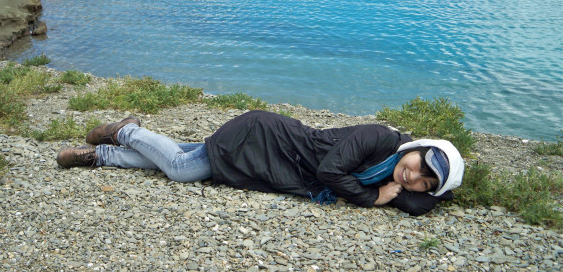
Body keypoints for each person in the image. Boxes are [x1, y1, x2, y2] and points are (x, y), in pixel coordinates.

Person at [56, 110, 464, 216]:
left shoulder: (393, 177)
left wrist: (432, 192)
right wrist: (372, 197)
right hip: (262, 137)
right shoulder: (378, 139)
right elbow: (328, 173)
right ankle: (126, 131)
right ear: (417, 146)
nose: (412, 177)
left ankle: (102, 156)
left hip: (271, 160)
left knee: (187, 154)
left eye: (425, 183)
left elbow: (421, 202)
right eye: (419, 164)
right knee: (183, 170)